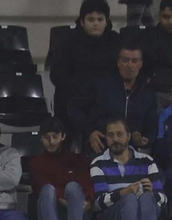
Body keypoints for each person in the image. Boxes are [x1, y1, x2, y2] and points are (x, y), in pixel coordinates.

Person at [90, 117, 165, 220]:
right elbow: (98, 203)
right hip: (114, 218)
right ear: (106, 138)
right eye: (111, 135)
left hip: (144, 214)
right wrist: (123, 193)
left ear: (129, 136)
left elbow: (163, 199)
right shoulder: (98, 163)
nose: (115, 139)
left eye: (120, 134)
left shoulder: (147, 161)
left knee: (148, 198)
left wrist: (153, 193)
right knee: (129, 199)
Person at [49, 0, 121, 141]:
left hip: (104, 102)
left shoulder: (117, 41)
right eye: (90, 19)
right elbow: (57, 74)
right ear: (82, 21)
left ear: (107, 21)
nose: (95, 23)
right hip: (73, 100)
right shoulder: (67, 41)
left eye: (100, 19)